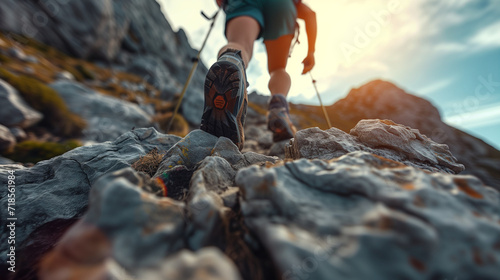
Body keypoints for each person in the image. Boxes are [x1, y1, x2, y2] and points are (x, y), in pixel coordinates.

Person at [200, 0, 317, 150]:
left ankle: (231, 61)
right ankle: (278, 107)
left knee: (240, 44)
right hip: (282, 5)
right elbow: (309, 14)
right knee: (278, 69)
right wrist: (311, 52)